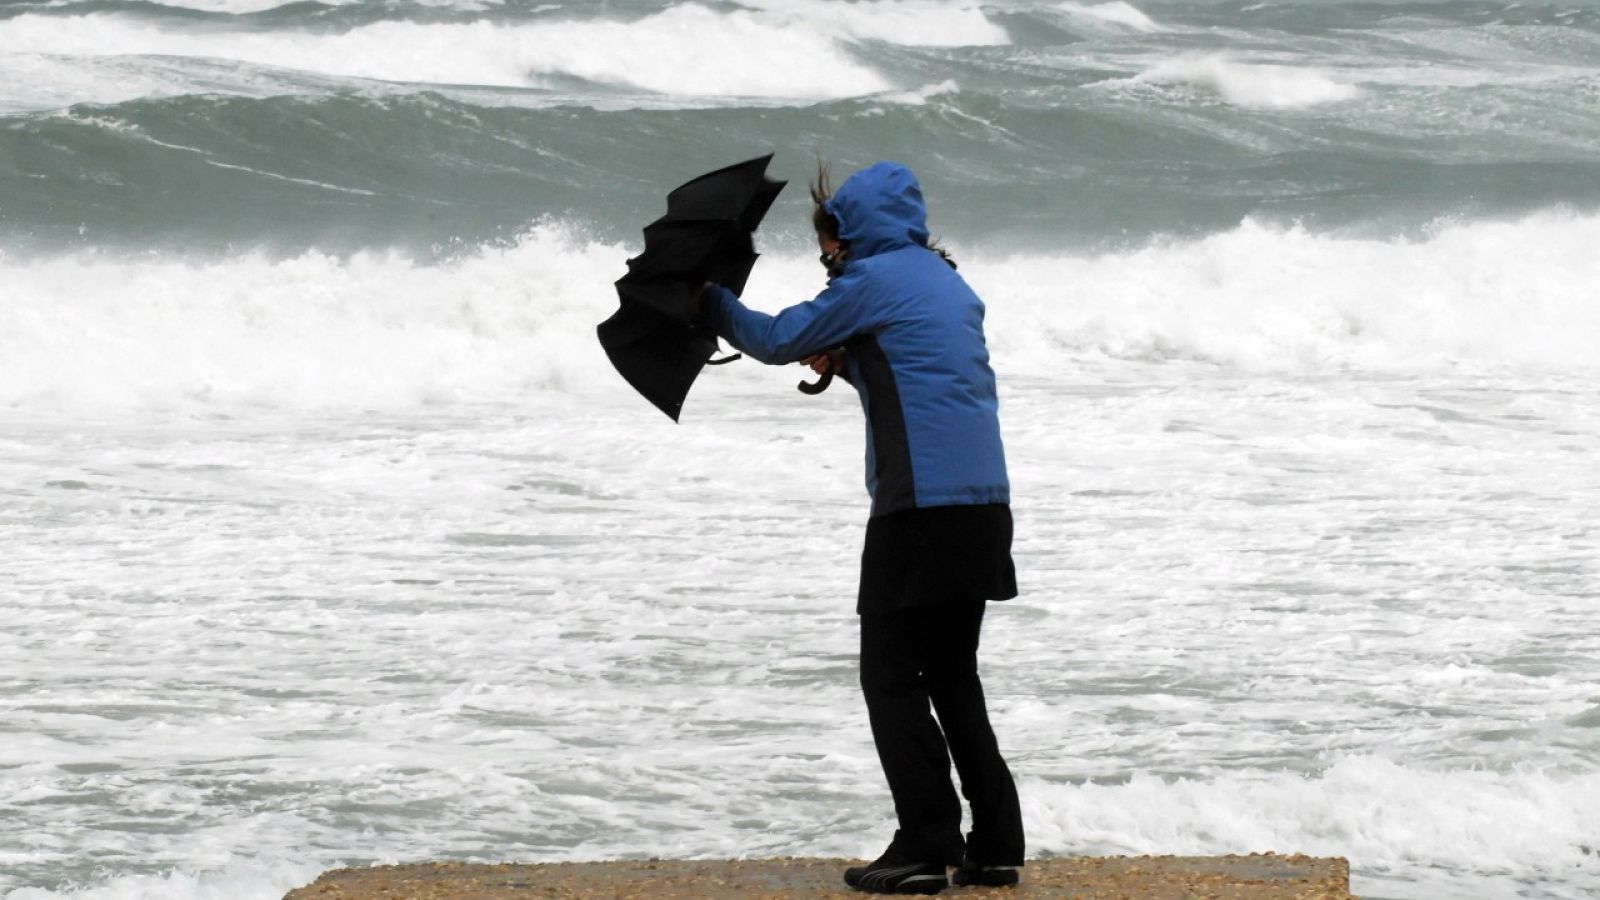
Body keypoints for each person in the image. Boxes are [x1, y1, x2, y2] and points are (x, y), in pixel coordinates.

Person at [698, 161, 1024, 895]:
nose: (826, 262)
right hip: (982, 506)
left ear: (847, 234)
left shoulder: (869, 282)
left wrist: (708, 301)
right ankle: (996, 844)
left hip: (920, 508)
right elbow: (918, 371)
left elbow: (778, 337)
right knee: (951, 675)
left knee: (889, 677)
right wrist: (849, 363)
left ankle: (924, 843)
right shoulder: (945, 281)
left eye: (826, 248)